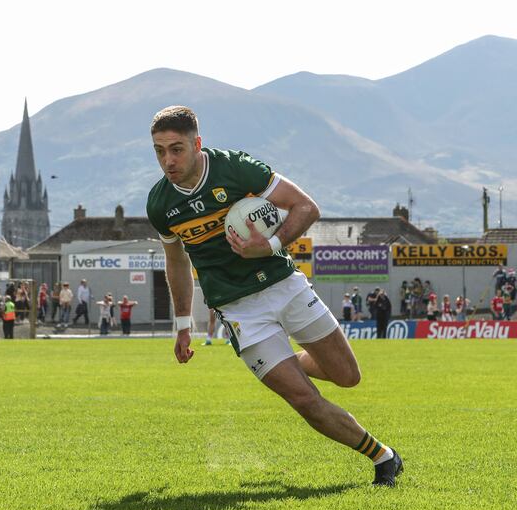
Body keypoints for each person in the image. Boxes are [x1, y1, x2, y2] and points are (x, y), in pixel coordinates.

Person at [145, 106, 402, 487]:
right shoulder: (160, 203)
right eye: (160, 151)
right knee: (303, 399)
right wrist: (183, 324)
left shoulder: (236, 169)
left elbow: (306, 206)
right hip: (237, 310)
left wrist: (271, 245)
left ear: (198, 143)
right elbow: (177, 263)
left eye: (177, 149)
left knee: (347, 377)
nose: (168, 160)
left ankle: (292, 361)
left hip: (285, 285)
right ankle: (383, 457)